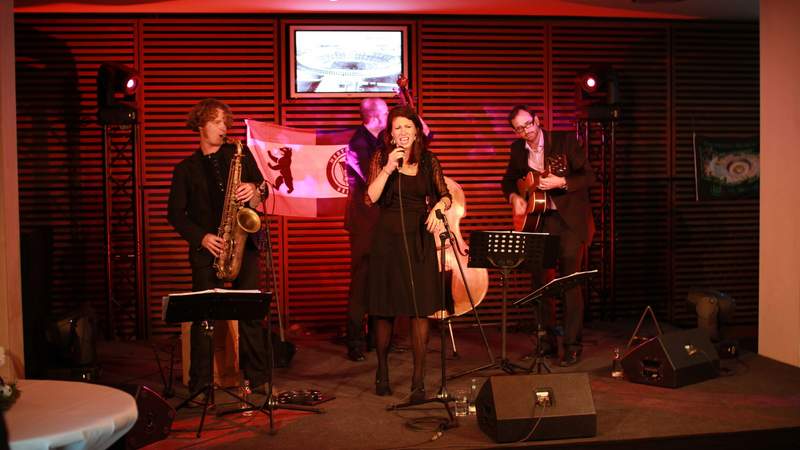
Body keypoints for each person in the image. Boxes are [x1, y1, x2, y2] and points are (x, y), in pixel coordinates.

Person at [167, 98, 270, 394]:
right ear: (200, 125)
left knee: (251, 314)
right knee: (204, 319)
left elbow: (262, 190)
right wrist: (201, 237)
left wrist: (254, 189)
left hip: (244, 246)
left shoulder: (240, 153)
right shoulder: (185, 169)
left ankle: (258, 378)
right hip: (207, 252)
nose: (223, 128)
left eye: (226, 122)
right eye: (216, 122)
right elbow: (174, 214)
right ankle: (200, 384)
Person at [365, 106, 451, 401]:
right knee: (384, 308)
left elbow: (445, 194)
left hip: (418, 240)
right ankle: (383, 371)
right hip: (386, 240)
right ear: (390, 134)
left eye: (406, 127)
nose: (401, 133)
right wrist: (389, 167)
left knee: (420, 308)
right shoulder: (381, 158)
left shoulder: (428, 160)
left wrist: (440, 206)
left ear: (417, 131)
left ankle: (418, 379)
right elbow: (371, 197)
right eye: (396, 128)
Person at [501, 104, 596, 367]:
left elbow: (589, 176)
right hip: (538, 220)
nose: (525, 132)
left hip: (569, 222)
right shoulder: (517, 149)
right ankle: (545, 344)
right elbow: (509, 180)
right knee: (539, 284)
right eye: (519, 129)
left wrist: (562, 183)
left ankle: (573, 346)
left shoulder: (564, 141)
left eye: (528, 125)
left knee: (569, 283)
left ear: (538, 120)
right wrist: (514, 198)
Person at [343, 98, 388, 362]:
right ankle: (355, 341)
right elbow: (371, 183)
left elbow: (427, 136)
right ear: (372, 117)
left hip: (380, 220)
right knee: (361, 281)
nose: (388, 116)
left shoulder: (381, 141)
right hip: (364, 221)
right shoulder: (357, 144)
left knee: (380, 280)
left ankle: (377, 338)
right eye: (385, 112)